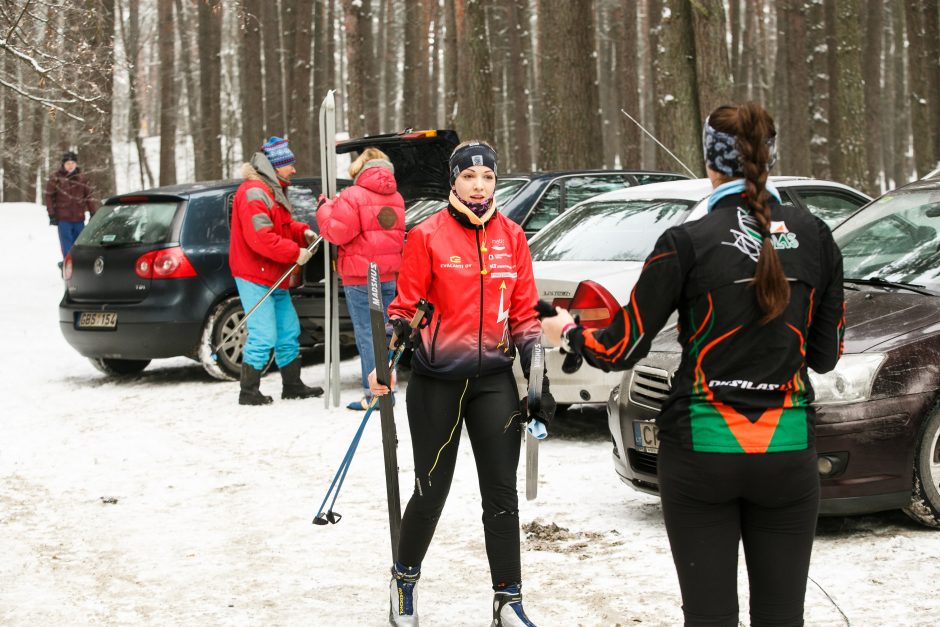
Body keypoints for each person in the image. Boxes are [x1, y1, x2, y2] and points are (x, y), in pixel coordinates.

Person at [542, 103, 844, 626]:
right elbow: (824, 354)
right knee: (781, 616)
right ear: (771, 157)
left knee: (709, 617)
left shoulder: (687, 240)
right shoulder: (816, 236)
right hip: (787, 449)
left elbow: (620, 348)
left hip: (702, 451)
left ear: (711, 163)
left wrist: (567, 331)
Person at [368, 140, 554, 627]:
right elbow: (403, 306)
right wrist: (392, 348)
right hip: (437, 381)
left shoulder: (511, 236)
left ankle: (507, 600)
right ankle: (403, 581)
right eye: (469, 177)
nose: (479, 185)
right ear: (454, 180)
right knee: (431, 491)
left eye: (488, 177)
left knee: (501, 494)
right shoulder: (427, 234)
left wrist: (538, 381)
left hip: (494, 378)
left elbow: (526, 315)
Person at [229, 136, 324, 406]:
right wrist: (295, 252)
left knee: (288, 329)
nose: (294, 169)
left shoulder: (271, 190)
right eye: (289, 164)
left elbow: (282, 225)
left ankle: (292, 385)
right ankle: (248, 391)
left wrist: (300, 232)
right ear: (276, 165)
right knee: (263, 333)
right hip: (253, 273)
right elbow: (261, 237)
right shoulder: (253, 192)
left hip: (274, 273)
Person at [316, 147, 406, 410]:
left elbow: (336, 233)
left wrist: (324, 208)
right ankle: (388, 388)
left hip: (360, 276)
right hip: (389, 274)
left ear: (360, 169)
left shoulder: (353, 195)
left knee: (368, 335)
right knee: (389, 334)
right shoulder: (397, 196)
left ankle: (374, 395)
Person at [44, 150, 97, 259]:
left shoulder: (82, 178)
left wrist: (93, 212)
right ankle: (68, 266)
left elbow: (89, 197)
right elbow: (49, 197)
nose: (70, 165)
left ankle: (79, 266)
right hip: (64, 219)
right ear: (63, 164)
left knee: (80, 244)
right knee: (67, 245)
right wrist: (51, 214)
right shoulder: (56, 177)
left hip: (79, 218)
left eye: (72, 163)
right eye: (68, 163)